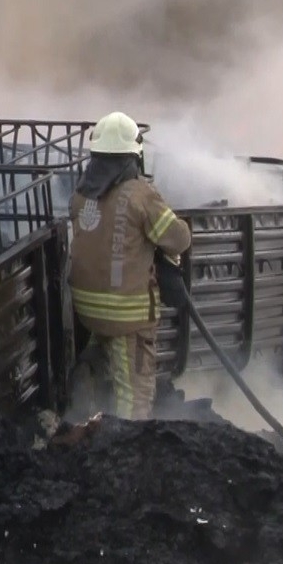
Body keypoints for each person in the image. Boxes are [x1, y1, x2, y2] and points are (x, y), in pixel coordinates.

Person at [67, 111, 191, 420]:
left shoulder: (80, 197)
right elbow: (178, 240)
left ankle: (92, 372)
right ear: (133, 158)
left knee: (107, 346)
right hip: (128, 314)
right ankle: (124, 442)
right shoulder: (141, 195)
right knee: (134, 393)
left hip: (86, 308)